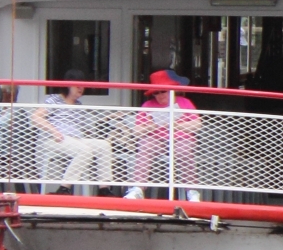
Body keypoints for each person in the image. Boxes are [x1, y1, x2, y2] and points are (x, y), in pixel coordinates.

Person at [128, 69, 202, 202]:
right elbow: (136, 131)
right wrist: (153, 125)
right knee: (145, 146)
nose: (160, 95)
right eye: (156, 92)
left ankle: (191, 191)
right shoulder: (148, 105)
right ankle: (138, 188)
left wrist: (175, 125)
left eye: (163, 91)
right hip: (157, 139)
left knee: (183, 151)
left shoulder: (184, 102)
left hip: (181, 138)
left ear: (172, 90)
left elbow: (197, 125)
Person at [31, 82, 116, 195]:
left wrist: (108, 118)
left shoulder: (78, 105)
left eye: (83, 85)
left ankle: (104, 189)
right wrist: (54, 131)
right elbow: (36, 117)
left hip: (76, 140)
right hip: (56, 140)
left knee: (104, 145)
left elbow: (87, 128)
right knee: (85, 151)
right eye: (77, 86)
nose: (81, 88)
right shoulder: (55, 100)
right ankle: (64, 188)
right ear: (68, 85)